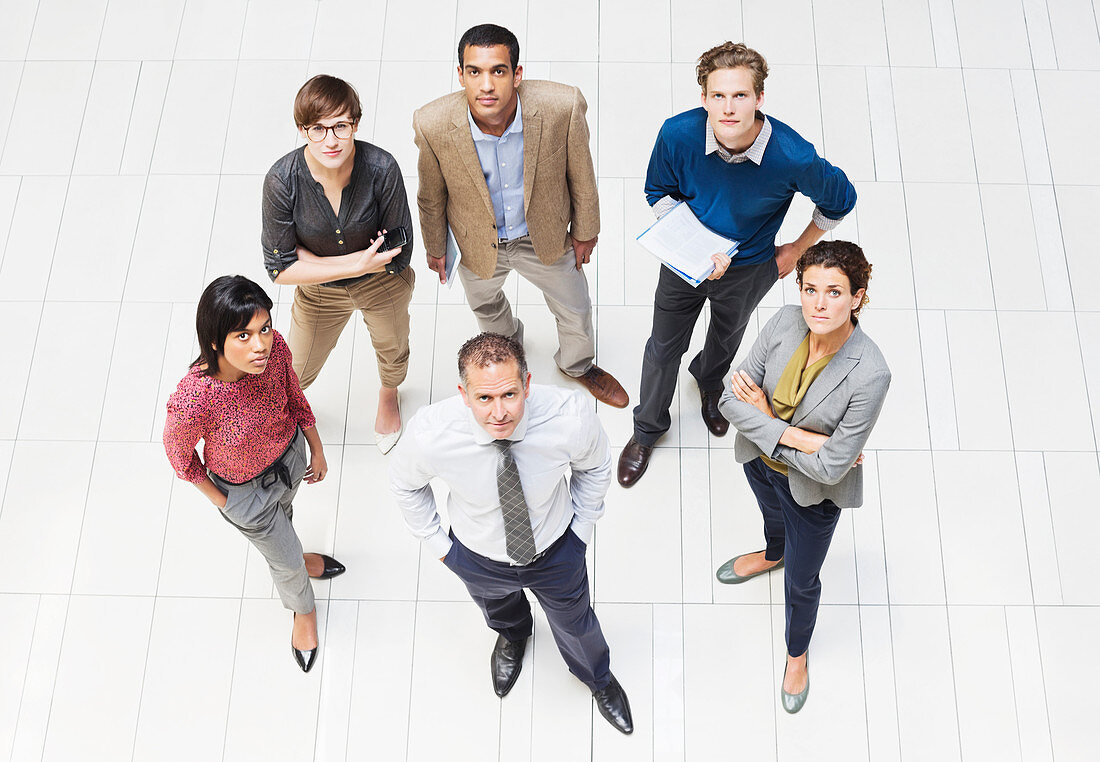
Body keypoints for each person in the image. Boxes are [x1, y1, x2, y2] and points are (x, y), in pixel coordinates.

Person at [618, 41, 858, 487]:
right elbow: (659, 191)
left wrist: (797, 250)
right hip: (684, 264)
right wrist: (694, 248)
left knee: (727, 335)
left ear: (759, 98)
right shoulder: (677, 134)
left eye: (741, 95)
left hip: (750, 266)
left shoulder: (792, 154)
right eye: (718, 96)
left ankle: (709, 383)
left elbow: (840, 199)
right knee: (663, 346)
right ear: (704, 98)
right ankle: (647, 428)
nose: (729, 108)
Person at [388, 332, 633, 734]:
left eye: (509, 395)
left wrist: (581, 531)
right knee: (498, 609)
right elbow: (405, 485)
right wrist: (441, 548)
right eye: (484, 398)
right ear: (464, 395)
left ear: (528, 385)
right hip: (476, 553)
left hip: (556, 550)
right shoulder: (431, 433)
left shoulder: (569, 417)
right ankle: (513, 635)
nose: (499, 412)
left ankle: (597, 678)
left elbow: (596, 467)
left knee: (576, 623)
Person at [412, 23, 629, 409]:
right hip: (477, 240)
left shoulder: (562, 107)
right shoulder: (431, 123)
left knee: (575, 308)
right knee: (486, 307)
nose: (486, 85)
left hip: (542, 234)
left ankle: (578, 365)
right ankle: (509, 346)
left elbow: (581, 173)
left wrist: (585, 231)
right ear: (460, 74)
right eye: (474, 72)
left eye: (498, 70)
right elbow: (431, 195)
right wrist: (434, 246)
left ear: (517, 74)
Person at [715, 241, 890, 713]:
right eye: (810, 289)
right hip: (758, 461)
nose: (818, 303)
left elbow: (832, 467)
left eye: (834, 292)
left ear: (857, 297)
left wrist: (768, 420)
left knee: (803, 581)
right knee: (771, 520)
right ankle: (772, 553)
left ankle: (797, 654)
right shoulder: (784, 322)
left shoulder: (870, 373)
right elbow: (728, 400)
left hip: (814, 493)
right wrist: (803, 438)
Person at [163, 275, 346, 673]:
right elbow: (179, 456)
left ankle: (297, 553)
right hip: (244, 492)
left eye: (263, 328)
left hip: (290, 459)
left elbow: (295, 396)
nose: (260, 343)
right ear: (215, 341)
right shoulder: (195, 398)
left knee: (287, 521)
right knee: (285, 563)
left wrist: (315, 447)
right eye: (243, 336)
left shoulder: (275, 347)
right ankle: (304, 611)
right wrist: (226, 501)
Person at [262, 74, 414, 454]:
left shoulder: (381, 168)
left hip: (382, 283)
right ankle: (287, 414)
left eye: (340, 126)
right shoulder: (283, 181)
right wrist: (354, 264)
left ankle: (388, 394)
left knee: (392, 346)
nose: (330, 140)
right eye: (318, 129)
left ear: (355, 125)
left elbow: (397, 252)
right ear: (303, 130)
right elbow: (279, 268)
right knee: (294, 368)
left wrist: (311, 260)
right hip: (319, 292)